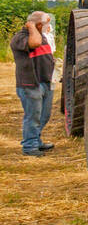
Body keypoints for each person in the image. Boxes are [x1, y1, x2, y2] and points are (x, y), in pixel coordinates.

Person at [11, 11, 56, 156]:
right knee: (33, 117)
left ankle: (36, 140)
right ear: (37, 25)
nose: (48, 26)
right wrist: (31, 27)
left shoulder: (41, 36)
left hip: (45, 82)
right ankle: (30, 147)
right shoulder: (20, 38)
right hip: (31, 84)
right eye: (45, 23)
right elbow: (34, 43)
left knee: (44, 115)